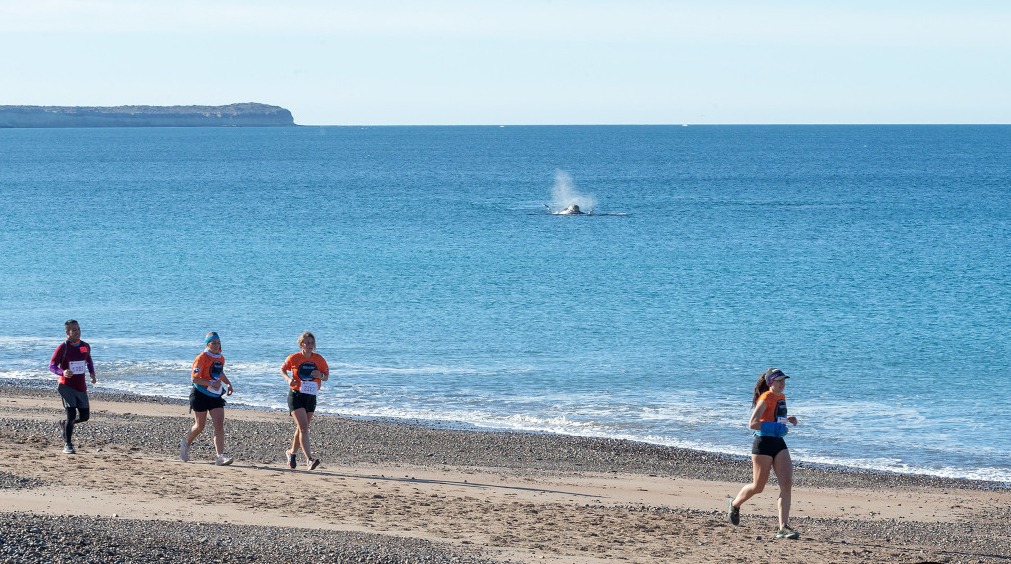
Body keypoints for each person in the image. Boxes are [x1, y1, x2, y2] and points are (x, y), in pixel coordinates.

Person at [727, 367, 801, 539]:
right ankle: (735, 504)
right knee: (758, 487)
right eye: (779, 381)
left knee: (786, 483)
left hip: (778, 443)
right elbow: (753, 423)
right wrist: (775, 427)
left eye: (784, 380)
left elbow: (774, 417)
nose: (782, 383)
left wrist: (787, 419)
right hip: (763, 444)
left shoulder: (781, 397)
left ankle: (783, 527)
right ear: (770, 383)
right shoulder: (765, 398)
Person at [180, 331, 234, 466]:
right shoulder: (201, 358)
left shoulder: (220, 358)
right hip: (200, 394)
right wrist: (210, 383)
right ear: (207, 344)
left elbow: (219, 372)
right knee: (200, 426)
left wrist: (228, 384)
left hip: (215, 396)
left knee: (219, 425)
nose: (216, 345)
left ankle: (220, 457)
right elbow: (194, 379)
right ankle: (186, 443)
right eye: (213, 343)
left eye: (218, 343)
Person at [280, 331, 329, 470]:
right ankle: (309, 459)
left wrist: (320, 375)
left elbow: (326, 376)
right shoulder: (294, 358)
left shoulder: (319, 359)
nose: (310, 345)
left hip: (311, 396)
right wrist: (288, 379)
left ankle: (291, 453)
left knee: (302, 428)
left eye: (312, 343)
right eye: (307, 342)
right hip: (296, 395)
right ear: (301, 344)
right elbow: (282, 369)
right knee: (303, 427)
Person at [49, 319, 96, 454]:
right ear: (67, 332)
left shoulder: (85, 346)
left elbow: (88, 360)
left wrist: (92, 373)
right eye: (74, 330)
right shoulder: (62, 348)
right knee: (71, 415)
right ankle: (68, 444)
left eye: (78, 329)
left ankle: (64, 425)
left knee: (85, 416)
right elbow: (52, 366)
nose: (77, 332)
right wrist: (62, 372)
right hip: (66, 386)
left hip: (80, 386)